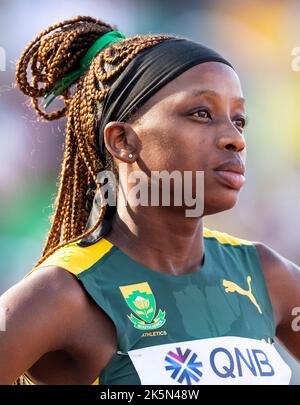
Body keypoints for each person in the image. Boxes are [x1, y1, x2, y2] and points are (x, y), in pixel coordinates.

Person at [0, 15, 299, 385]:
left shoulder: (265, 274)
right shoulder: (63, 294)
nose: (234, 139)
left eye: (239, 120)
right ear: (123, 141)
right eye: (201, 114)